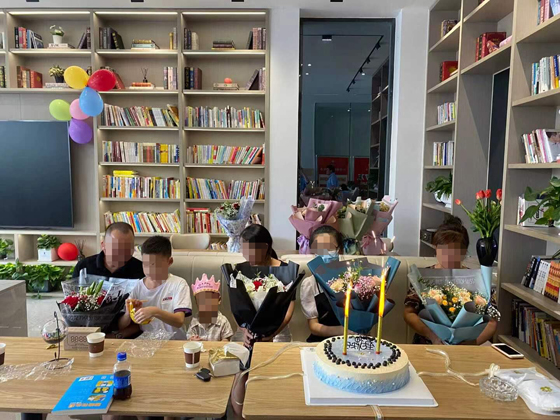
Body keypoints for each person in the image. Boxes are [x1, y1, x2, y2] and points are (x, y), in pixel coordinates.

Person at [231, 224, 296, 419]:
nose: (246, 255)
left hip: (277, 331)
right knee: (239, 370)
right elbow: (237, 305)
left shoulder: (285, 270)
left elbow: (289, 309)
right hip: (247, 331)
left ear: (265, 247)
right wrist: (244, 330)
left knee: (273, 371)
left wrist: (271, 333)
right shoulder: (240, 269)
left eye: (250, 250)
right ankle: (239, 415)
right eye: (243, 249)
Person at [403, 216, 499, 345]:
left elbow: (492, 321)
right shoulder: (423, 277)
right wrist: (432, 336)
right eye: (443, 250)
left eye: (454, 252)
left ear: (464, 252)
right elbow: (409, 313)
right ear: (435, 247)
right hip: (428, 342)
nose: (448, 256)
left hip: (467, 345)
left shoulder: (477, 278)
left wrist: (472, 343)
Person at [119, 235, 192, 340]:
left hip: (175, 342)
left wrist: (155, 311)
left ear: (169, 262)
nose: (149, 270)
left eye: (154, 265)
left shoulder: (179, 284)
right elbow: (122, 325)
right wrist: (128, 312)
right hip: (148, 343)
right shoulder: (138, 286)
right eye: (145, 264)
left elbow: (179, 321)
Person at [301, 226, 356, 342]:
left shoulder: (354, 278)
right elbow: (314, 326)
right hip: (320, 342)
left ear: (339, 250)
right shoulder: (310, 284)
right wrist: (343, 331)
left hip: (352, 342)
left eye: (329, 247)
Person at [72, 222, 145, 279]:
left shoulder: (142, 270)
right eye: (117, 248)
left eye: (127, 248)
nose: (122, 254)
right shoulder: (83, 267)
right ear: (103, 245)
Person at [187, 274, 234, 342]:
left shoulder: (223, 322)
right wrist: (193, 340)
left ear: (218, 300)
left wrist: (222, 342)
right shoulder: (195, 322)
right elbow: (189, 338)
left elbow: (226, 340)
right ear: (196, 303)